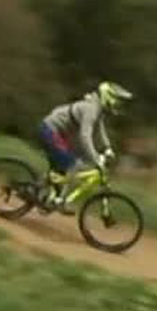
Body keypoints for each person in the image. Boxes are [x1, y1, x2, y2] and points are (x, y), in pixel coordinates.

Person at [37, 81, 133, 213]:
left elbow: (99, 131)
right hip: (50, 130)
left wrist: (107, 148)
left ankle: (42, 193)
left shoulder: (98, 109)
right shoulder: (91, 109)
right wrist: (95, 159)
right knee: (73, 164)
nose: (118, 104)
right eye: (117, 101)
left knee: (61, 169)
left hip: (57, 132)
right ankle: (57, 200)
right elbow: (85, 136)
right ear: (108, 97)